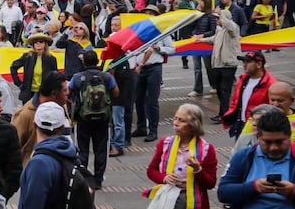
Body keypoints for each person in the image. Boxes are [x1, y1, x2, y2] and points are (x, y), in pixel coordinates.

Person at [67, 51, 118, 187]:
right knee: (101, 149)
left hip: (83, 118)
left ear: (83, 62)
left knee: (82, 148)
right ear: (97, 62)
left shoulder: (78, 77)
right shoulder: (106, 77)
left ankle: (83, 178)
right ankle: (98, 179)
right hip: (103, 118)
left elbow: (68, 92)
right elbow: (116, 92)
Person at [130, 28, 175, 143]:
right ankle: (141, 127)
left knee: (152, 100)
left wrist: (160, 48)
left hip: (154, 68)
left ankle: (153, 130)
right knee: (138, 99)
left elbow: (172, 49)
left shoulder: (161, 33)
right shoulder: (141, 31)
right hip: (139, 68)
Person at [223, 50, 275, 139]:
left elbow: (274, 109)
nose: (244, 64)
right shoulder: (243, 80)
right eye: (243, 61)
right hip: (241, 125)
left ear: (259, 64)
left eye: (248, 62)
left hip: (259, 128)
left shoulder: (271, 84)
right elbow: (235, 101)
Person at [10, 33, 58, 103]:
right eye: (35, 42)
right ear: (33, 44)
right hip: (28, 93)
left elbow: (55, 76)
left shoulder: (51, 59)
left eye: (41, 41)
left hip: (44, 93)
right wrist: (19, 83)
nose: (38, 43)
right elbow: (13, 67)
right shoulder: (27, 56)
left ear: (45, 44)